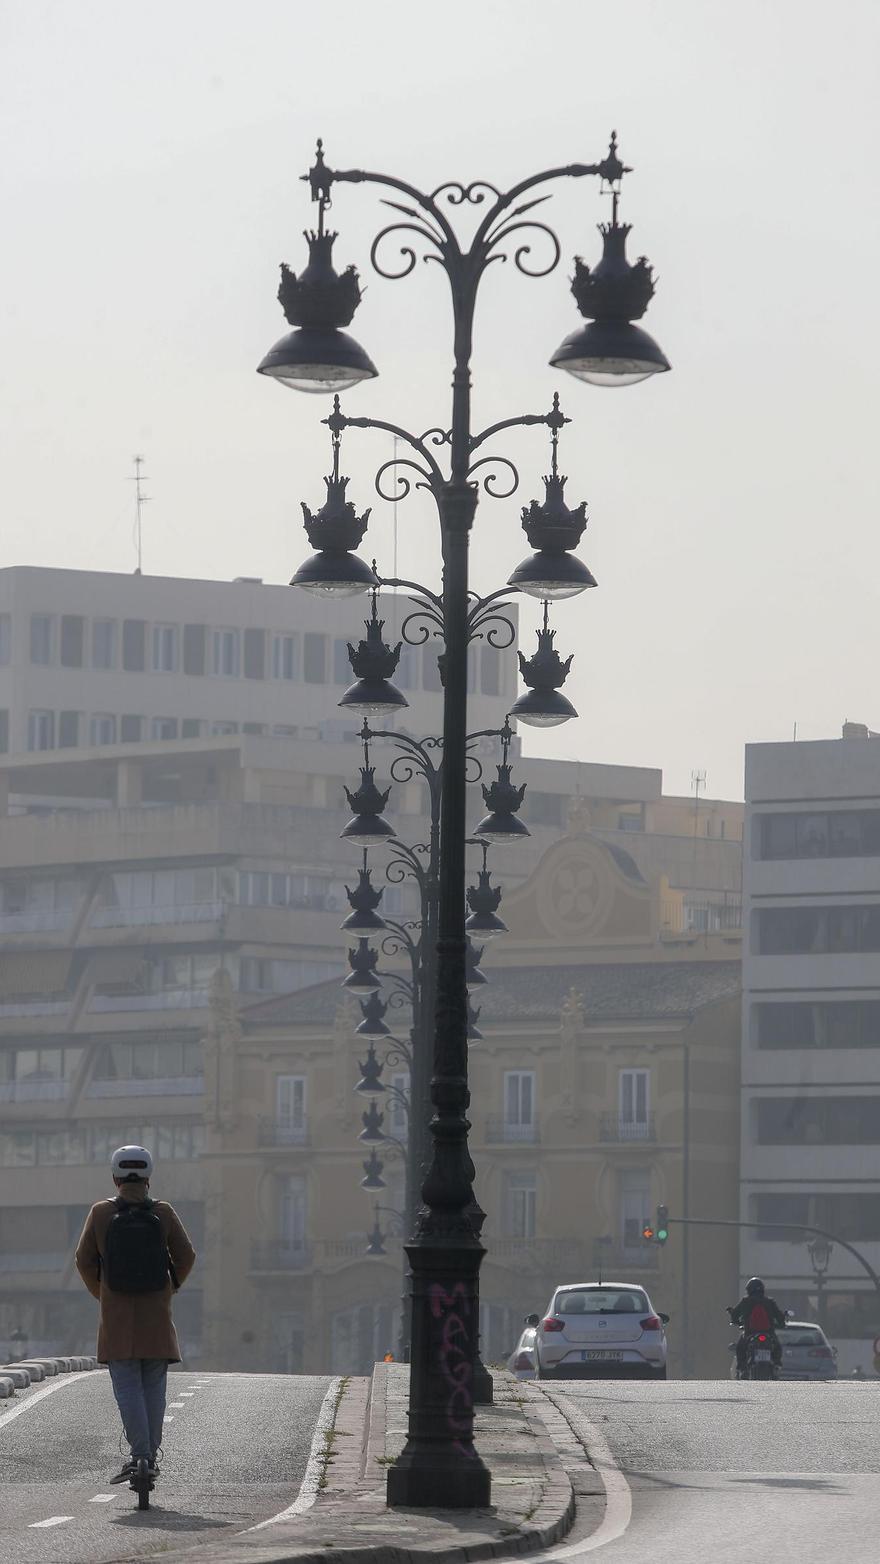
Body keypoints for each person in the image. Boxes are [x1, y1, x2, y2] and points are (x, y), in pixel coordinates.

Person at [75, 1145, 196, 1485]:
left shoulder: (100, 1213)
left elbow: (83, 1261)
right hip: (156, 1318)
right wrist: (168, 1287)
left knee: (127, 1387)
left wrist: (105, 1294)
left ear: (115, 1178)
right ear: (148, 1177)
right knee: (154, 1388)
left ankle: (139, 1456)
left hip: (116, 1321)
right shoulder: (164, 1212)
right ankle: (150, 1457)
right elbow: (186, 1256)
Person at [728, 1277, 786, 1376]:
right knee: (777, 1346)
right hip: (768, 1334)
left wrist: (734, 1319)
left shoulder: (745, 1301)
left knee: (740, 1348)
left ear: (749, 1290)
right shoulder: (769, 1301)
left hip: (750, 1334)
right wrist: (781, 1323)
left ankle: (742, 1368)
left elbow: (735, 1315)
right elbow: (780, 1317)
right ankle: (776, 1365)